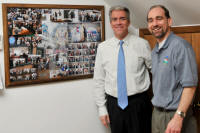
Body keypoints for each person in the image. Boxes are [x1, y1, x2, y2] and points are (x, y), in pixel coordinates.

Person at [94, 5, 152, 133]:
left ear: (129, 22)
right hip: (114, 105)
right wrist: (101, 108)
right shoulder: (103, 48)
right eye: (114, 19)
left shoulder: (142, 44)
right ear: (110, 23)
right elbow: (99, 80)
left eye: (122, 19)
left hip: (139, 104)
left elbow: (156, 70)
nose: (118, 22)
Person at [147, 5, 198, 133]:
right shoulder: (155, 51)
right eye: (151, 20)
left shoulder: (180, 47)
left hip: (175, 116)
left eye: (159, 19)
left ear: (169, 21)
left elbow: (190, 86)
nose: (155, 23)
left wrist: (178, 117)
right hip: (157, 115)